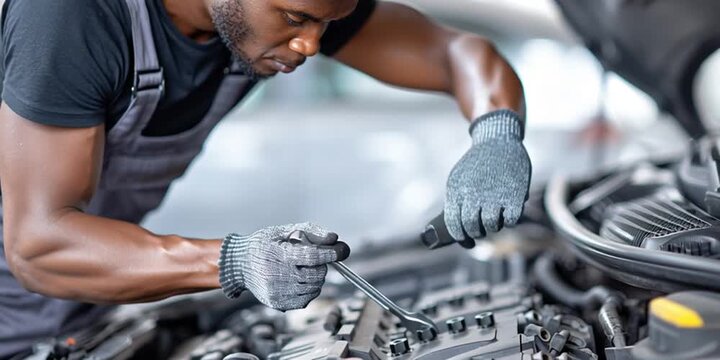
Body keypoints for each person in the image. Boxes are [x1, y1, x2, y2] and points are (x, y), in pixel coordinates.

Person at [0, 0, 531, 356]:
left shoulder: (286, 10)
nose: (311, 46)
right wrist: (236, 260)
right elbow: (39, 246)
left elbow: (456, 52)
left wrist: (497, 135)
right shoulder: (72, 17)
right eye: (297, 18)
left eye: (325, 23)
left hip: (88, 313)